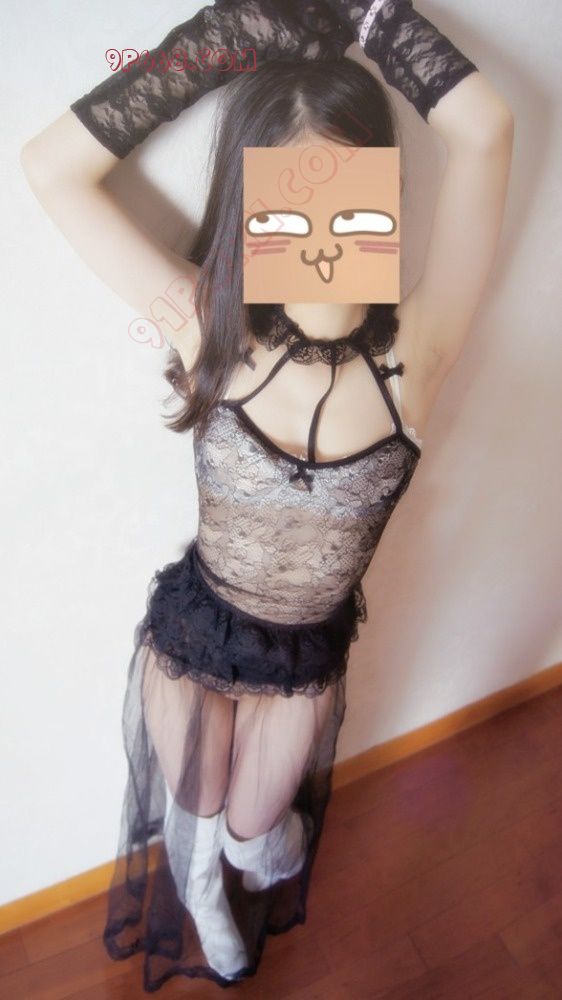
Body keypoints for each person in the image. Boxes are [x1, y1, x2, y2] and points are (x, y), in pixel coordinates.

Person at [20, 0, 514, 989]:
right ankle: (202, 888)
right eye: (287, 209)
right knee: (194, 816)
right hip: (196, 629)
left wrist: (371, 16)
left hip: (300, 655)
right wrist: (227, 36)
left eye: (349, 205)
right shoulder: (211, 330)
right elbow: (51, 168)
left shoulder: (415, 356)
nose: (322, 238)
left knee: (256, 830)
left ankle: (241, 860)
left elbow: (485, 129)